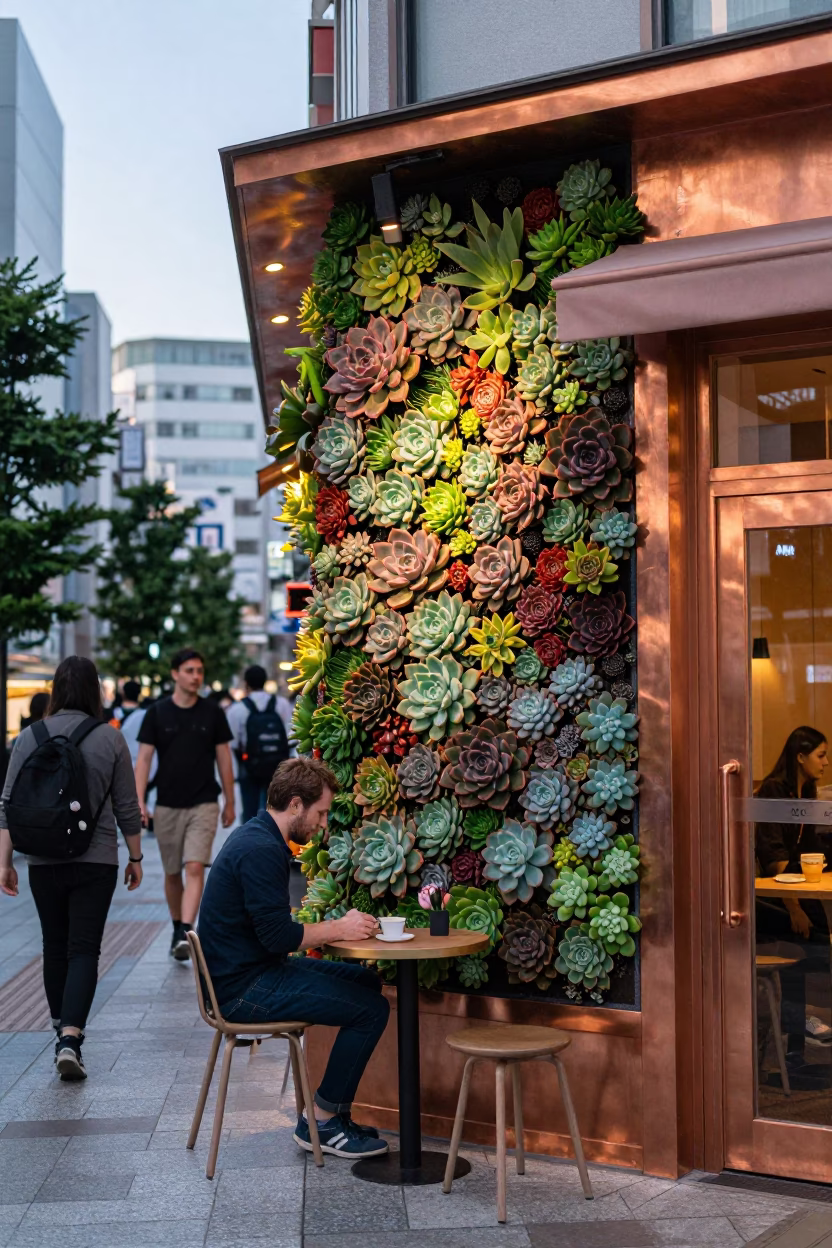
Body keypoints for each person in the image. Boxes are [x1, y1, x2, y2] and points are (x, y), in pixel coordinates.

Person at [198, 757, 390, 1159]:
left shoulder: (256, 836)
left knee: (368, 984)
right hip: (242, 990)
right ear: (297, 804)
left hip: (249, 972)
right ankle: (321, 1121)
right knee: (371, 1008)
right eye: (320, 813)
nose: (323, 824)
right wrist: (339, 928)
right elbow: (278, 937)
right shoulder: (262, 849)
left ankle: (332, 1113)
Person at [0, 657, 143, 1081]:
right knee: (84, 948)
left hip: (43, 859)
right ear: (94, 690)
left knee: (54, 944)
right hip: (96, 858)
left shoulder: (30, 735)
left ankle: (60, 1027)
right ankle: (70, 1037)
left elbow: (8, 804)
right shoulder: (109, 739)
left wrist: (4, 861)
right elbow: (127, 807)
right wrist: (135, 857)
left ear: (57, 689)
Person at [135, 648, 235, 962]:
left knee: (194, 866)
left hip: (204, 802)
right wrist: (139, 801)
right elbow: (144, 759)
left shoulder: (213, 712)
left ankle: (186, 931)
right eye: (189, 670)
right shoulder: (157, 712)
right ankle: (178, 924)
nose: (196, 676)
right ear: (175, 674)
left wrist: (229, 800)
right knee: (171, 872)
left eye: (199, 671)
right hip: (166, 804)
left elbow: (224, 757)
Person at [755, 726, 832, 1072]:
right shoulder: (773, 790)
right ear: (800, 757)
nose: (826, 763)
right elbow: (774, 860)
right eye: (821, 755)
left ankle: (798, 1026)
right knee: (807, 939)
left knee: (819, 940)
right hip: (769, 894)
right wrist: (795, 906)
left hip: (797, 884)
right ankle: (794, 1036)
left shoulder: (809, 790)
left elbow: (809, 851)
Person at [226, 665, 290, 822]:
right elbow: (291, 735)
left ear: (246, 683)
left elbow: (232, 744)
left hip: (249, 768)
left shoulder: (237, 709)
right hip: (277, 768)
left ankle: (250, 838)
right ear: (265, 681)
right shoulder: (281, 704)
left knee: (250, 813)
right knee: (275, 812)